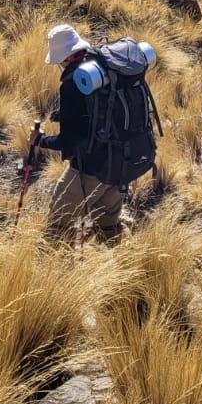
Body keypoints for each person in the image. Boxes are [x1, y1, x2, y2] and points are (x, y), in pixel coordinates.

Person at [38, 24, 159, 243]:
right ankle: (118, 269)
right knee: (108, 226)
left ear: (63, 57)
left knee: (59, 220)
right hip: (122, 160)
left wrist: (40, 141)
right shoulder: (107, 67)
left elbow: (70, 142)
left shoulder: (74, 81)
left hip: (91, 166)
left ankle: (54, 270)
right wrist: (64, 114)